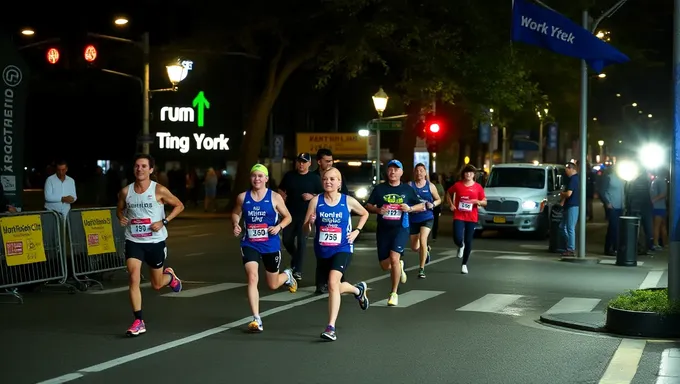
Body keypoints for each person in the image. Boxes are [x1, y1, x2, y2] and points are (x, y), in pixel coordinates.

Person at [117, 154, 185, 337]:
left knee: (156, 284)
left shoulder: (159, 190)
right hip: (134, 241)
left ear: (151, 170)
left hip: (155, 242)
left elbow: (179, 205)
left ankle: (169, 278)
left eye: (144, 166)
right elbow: (120, 207)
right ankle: (138, 320)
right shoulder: (126, 191)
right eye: (137, 166)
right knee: (133, 277)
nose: (140, 169)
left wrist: (164, 221)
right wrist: (120, 217)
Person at [303, 167, 369, 341]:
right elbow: (305, 231)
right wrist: (309, 223)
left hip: (343, 248)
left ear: (339, 183)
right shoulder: (316, 201)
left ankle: (330, 327)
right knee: (335, 287)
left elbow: (365, 213)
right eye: (325, 179)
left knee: (333, 283)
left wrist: (356, 231)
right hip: (322, 249)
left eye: (333, 179)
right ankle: (357, 290)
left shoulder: (347, 201)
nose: (328, 182)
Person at [232, 164, 298, 333]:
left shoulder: (275, 197)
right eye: (254, 176)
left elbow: (288, 217)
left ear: (267, 179)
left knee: (273, 284)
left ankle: (287, 276)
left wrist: (279, 227)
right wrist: (235, 224)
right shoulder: (243, 197)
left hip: (270, 245)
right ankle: (256, 318)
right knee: (252, 277)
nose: (257, 179)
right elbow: (236, 212)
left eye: (261, 176)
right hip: (250, 243)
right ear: (250, 178)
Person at [365, 160, 425, 306]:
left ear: (401, 172)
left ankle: (393, 293)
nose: (393, 172)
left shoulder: (407, 189)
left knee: (393, 257)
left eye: (396, 169)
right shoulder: (380, 189)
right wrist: (378, 210)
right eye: (390, 169)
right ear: (387, 172)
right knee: (385, 265)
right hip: (383, 229)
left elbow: (421, 205)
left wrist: (409, 209)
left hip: (401, 228)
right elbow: (368, 205)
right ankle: (399, 265)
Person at [278, 153, 324, 281]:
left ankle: (297, 270)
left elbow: (322, 194)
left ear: (309, 164)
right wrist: (281, 197)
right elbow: (281, 189)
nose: (301, 164)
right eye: (299, 162)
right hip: (290, 214)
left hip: (306, 215)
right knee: (286, 240)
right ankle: (296, 258)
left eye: (304, 162)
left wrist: (312, 196)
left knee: (302, 242)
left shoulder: (314, 178)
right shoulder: (289, 176)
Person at [314, 148, 348, 294]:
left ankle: (339, 282)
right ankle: (321, 283)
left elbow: (346, 196)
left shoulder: (338, 176)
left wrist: (357, 230)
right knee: (322, 256)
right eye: (326, 161)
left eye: (331, 161)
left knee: (339, 253)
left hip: (337, 222)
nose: (329, 163)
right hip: (319, 218)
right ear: (319, 162)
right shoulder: (313, 176)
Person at [446, 164, 486, 274]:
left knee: (469, 240)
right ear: (463, 174)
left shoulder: (478, 187)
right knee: (457, 237)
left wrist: (477, 202)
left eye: (470, 173)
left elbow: (484, 201)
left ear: (474, 175)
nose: (468, 174)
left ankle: (464, 264)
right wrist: (451, 204)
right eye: (466, 172)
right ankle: (460, 245)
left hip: (471, 217)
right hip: (459, 214)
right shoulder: (458, 185)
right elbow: (448, 193)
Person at [408, 164, 442, 279]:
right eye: (417, 171)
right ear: (414, 173)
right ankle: (425, 250)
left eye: (421, 171)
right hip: (413, 218)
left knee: (423, 239)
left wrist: (432, 204)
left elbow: (438, 199)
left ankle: (421, 269)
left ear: (425, 173)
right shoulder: (410, 185)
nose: (419, 173)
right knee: (414, 247)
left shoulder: (430, 186)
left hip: (427, 217)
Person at [559, 162, 580, 256]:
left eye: (566, 170)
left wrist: (562, 194)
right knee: (563, 227)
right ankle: (570, 246)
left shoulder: (573, 179)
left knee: (569, 227)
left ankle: (571, 248)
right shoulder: (574, 179)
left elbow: (568, 194)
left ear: (571, 169)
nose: (566, 172)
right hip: (570, 205)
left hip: (573, 205)